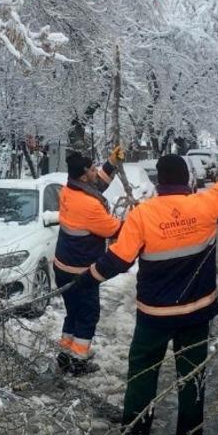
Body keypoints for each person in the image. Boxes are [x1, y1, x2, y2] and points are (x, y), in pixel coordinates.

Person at [81, 130, 218, 435]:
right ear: (187, 180)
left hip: (154, 317)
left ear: (160, 183)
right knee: (192, 379)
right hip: (196, 314)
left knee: (142, 376)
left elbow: (119, 260)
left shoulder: (142, 215)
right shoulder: (207, 204)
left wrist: (88, 278)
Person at [53, 146, 125, 376]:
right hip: (81, 272)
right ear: (84, 175)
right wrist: (142, 219)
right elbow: (116, 229)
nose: (96, 172)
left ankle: (65, 355)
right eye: (93, 169)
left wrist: (111, 164)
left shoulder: (69, 190)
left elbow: (97, 185)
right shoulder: (90, 206)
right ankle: (79, 361)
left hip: (62, 266)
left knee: (73, 312)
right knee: (87, 315)